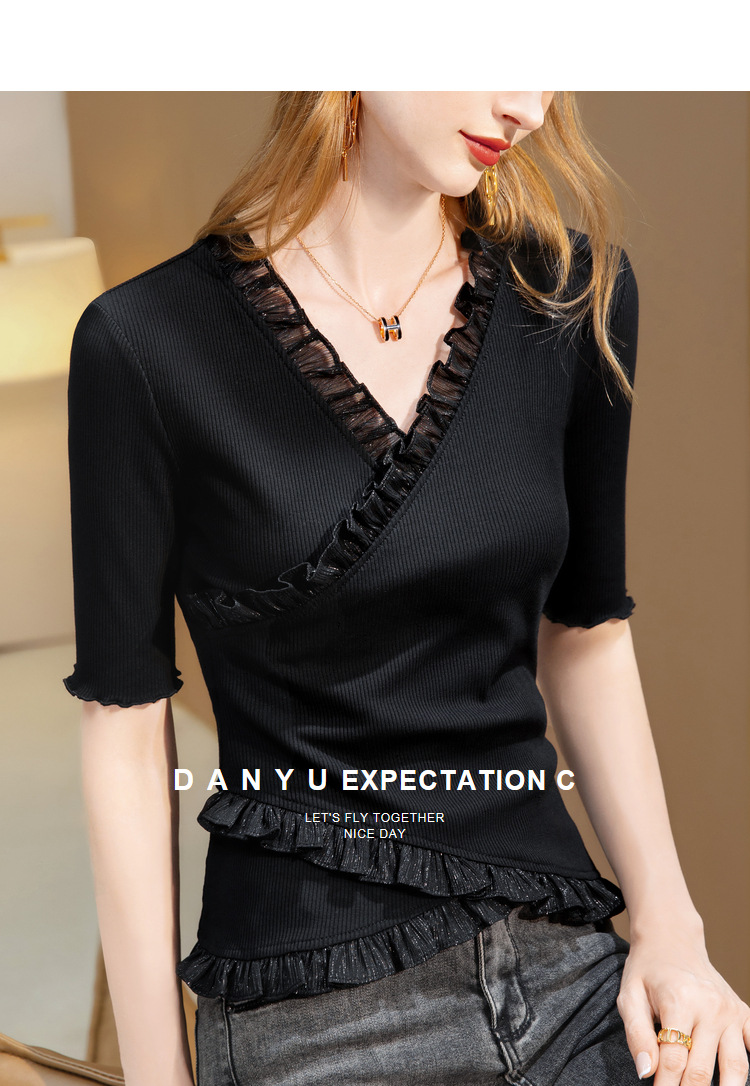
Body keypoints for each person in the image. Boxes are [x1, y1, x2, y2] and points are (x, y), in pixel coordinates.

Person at [63, 92, 750, 1086]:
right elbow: (125, 733)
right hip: (312, 1020)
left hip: (565, 970)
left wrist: (672, 932)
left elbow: (585, 632)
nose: (526, 103)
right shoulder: (145, 342)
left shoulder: (573, 294)